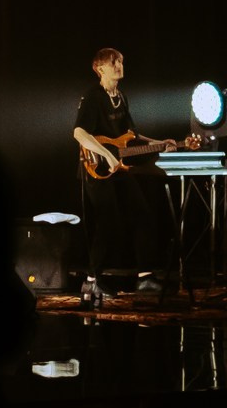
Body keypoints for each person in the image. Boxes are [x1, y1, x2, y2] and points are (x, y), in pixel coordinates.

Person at [70, 46, 181, 297]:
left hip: (119, 167)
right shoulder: (93, 97)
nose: (119, 66)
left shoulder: (121, 96)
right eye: (113, 62)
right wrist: (108, 155)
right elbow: (79, 133)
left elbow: (132, 136)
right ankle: (91, 280)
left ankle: (145, 278)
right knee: (107, 222)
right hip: (96, 168)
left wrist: (161, 143)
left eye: (120, 61)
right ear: (100, 68)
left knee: (142, 214)